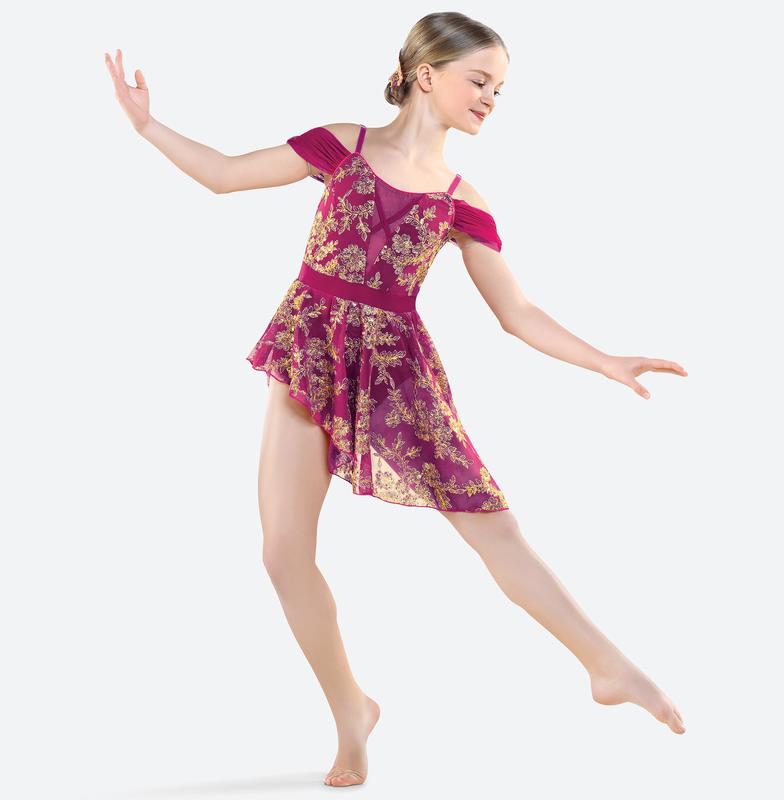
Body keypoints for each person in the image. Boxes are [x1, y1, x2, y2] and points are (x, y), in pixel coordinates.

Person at [105, 10, 688, 789]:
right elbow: (223, 173)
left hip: (395, 372)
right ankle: (352, 710)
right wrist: (149, 126)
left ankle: (609, 666)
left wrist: (604, 359)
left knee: (492, 525)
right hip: (310, 356)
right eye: (480, 81)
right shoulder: (340, 145)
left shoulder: (460, 199)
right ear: (425, 75)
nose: (490, 99)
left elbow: (517, 313)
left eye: (499, 89)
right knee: (282, 554)